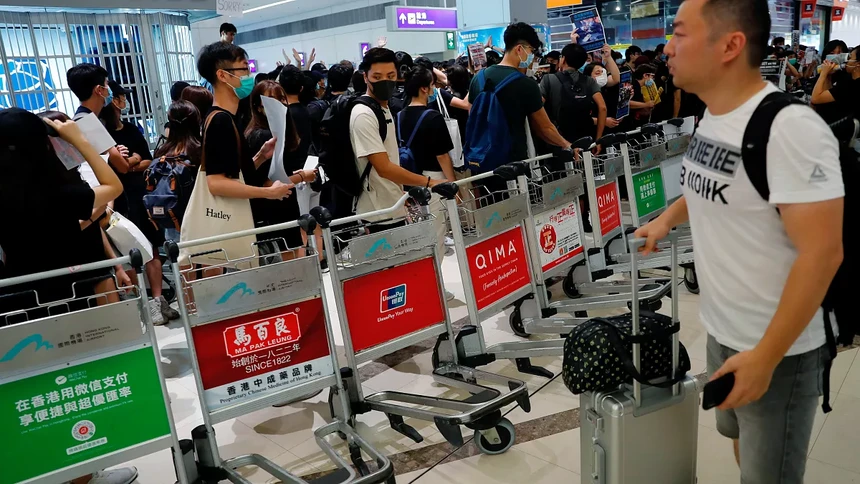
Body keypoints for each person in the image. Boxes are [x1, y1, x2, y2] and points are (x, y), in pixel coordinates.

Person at [636, 0, 844, 482]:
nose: (667, 48)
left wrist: (766, 356)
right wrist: (665, 220)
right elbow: (711, 182)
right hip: (723, 328)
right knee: (736, 437)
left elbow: (823, 253)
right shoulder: (715, 115)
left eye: (680, 33)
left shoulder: (790, 129)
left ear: (730, 45)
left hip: (778, 347)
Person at [0, 109, 137, 484]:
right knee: (73, 385)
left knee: (41, 390)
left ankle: (61, 472)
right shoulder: (58, 192)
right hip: (69, 301)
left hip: (19, 305)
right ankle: (82, 476)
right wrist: (80, 140)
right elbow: (113, 185)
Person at [194, 41, 293, 260]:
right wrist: (268, 193)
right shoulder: (220, 120)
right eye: (244, 69)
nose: (249, 76)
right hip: (239, 223)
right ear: (222, 75)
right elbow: (216, 183)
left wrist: (259, 157)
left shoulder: (225, 117)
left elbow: (232, 171)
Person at [99, 80, 178, 324]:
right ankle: (142, 303)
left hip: (141, 196)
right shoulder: (100, 135)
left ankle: (157, 300)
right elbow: (117, 167)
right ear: (114, 100)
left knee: (151, 248)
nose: (125, 101)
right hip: (117, 202)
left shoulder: (132, 130)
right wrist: (131, 161)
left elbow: (148, 161)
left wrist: (131, 161)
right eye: (122, 96)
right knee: (129, 252)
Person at [466, 22, 573, 176]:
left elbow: (472, 116)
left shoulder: (478, 78)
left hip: (481, 161)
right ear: (519, 49)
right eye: (531, 50)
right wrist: (566, 144)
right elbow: (544, 128)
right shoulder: (525, 84)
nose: (532, 56)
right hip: (513, 164)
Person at [351, 47, 443, 226]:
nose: (385, 82)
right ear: (365, 77)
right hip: (378, 212)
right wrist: (430, 182)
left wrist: (398, 191)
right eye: (377, 77)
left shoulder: (383, 108)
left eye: (390, 76)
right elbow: (384, 168)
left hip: (392, 203)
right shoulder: (364, 114)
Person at [244, 80, 313, 262]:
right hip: (273, 207)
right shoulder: (263, 135)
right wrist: (302, 176)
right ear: (259, 106)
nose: (280, 104)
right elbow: (268, 182)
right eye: (271, 100)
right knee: (289, 257)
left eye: (282, 99)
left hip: (281, 203)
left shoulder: (274, 131)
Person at [66, 63, 133, 175]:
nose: (109, 90)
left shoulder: (80, 118)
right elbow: (122, 166)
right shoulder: (88, 123)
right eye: (106, 84)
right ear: (99, 90)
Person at [153, 100, 203, 242]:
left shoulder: (162, 152)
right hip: (200, 220)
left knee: (179, 255)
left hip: (172, 222)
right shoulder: (199, 151)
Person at [540, 42, 606, 147]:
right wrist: (598, 140)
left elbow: (538, 106)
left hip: (559, 140)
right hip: (586, 138)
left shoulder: (549, 79)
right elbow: (602, 108)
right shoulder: (589, 81)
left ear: (563, 59)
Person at [812, 45, 860, 124]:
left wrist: (823, 73)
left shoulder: (852, 86)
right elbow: (826, 98)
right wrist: (828, 75)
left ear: (858, 63)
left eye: (850, 57)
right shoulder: (850, 81)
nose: (846, 60)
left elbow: (815, 99)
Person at [625, 64, 657, 129]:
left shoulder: (640, 87)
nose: (653, 79)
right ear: (645, 75)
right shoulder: (633, 86)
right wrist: (646, 105)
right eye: (652, 76)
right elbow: (627, 103)